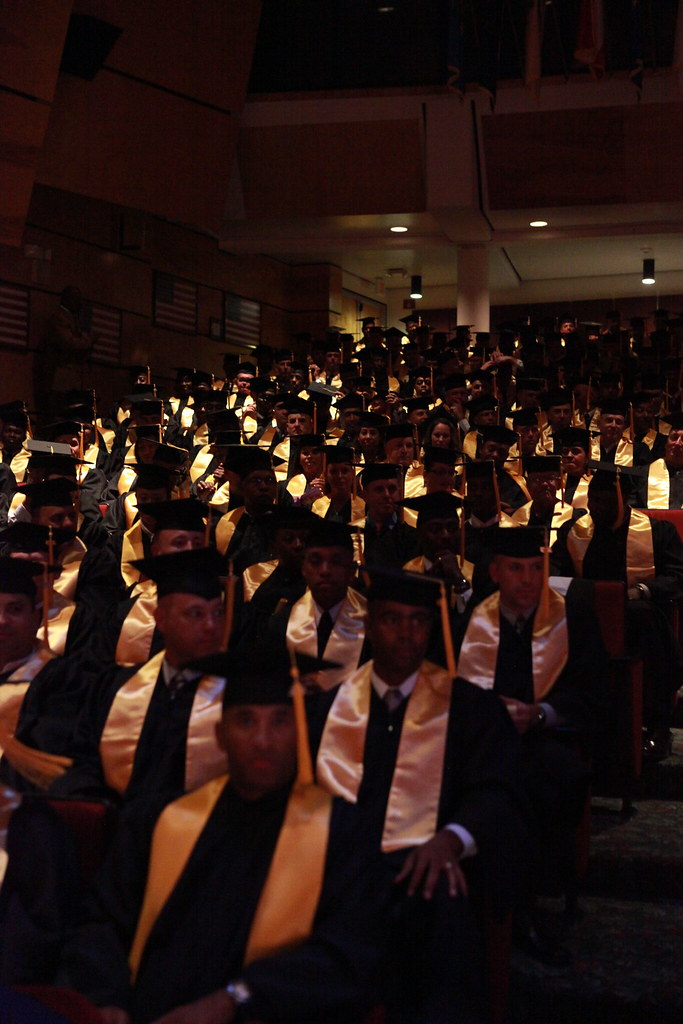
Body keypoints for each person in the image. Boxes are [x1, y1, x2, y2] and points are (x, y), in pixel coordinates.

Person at [58, 650, 390, 1024]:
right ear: (220, 735)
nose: (262, 740)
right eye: (245, 721)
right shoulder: (159, 820)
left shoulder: (341, 832)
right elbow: (103, 922)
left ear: (301, 733)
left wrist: (235, 1000)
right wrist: (107, 998)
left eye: (279, 722)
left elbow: (351, 951)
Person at [310, 567, 527, 1024]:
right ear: (369, 626)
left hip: (423, 870)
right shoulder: (327, 709)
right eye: (391, 619)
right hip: (334, 874)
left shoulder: (471, 709)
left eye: (418, 620)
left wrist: (450, 839)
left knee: (443, 903)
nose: (406, 633)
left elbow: (498, 792)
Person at [456, 527, 609, 958]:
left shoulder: (571, 616)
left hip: (541, 737)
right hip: (480, 742)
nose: (526, 579)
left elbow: (595, 693)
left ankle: (524, 906)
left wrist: (539, 714)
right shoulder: (471, 619)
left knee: (553, 781)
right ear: (495, 573)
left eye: (535, 569)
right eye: (515, 569)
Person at [48, 547, 228, 804]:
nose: (211, 625)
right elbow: (80, 761)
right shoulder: (115, 688)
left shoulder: (238, 696)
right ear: (161, 619)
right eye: (196, 614)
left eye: (218, 613)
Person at [551, 466, 683, 758]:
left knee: (642, 615)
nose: (598, 508)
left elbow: (677, 576)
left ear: (623, 502)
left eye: (606, 501)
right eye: (594, 501)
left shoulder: (658, 532)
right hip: (585, 620)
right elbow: (556, 574)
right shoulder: (573, 532)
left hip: (638, 622)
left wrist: (643, 590)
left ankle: (657, 726)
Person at [267, 520, 368, 692]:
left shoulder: (373, 625)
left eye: (336, 562)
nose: (325, 571)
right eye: (315, 561)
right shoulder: (280, 625)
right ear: (303, 568)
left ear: (352, 570)